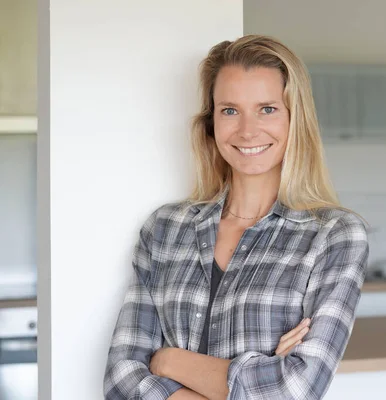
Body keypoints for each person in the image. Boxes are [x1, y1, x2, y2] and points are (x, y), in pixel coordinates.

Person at [103, 34, 369, 400]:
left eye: (267, 109)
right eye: (230, 110)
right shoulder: (165, 229)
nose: (247, 130)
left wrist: (167, 360)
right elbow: (121, 378)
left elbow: (295, 388)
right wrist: (258, 376)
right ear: (211, 122)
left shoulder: (334, 236)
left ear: (296, 119)